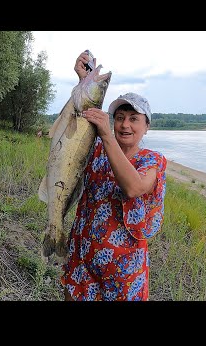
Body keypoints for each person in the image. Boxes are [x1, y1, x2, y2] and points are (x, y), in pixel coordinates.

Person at [60, 51, 167, 301]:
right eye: (119, 118)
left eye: (133, 119)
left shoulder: (152, 160)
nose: (124, 125)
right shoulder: (96, 149)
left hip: (124, 269)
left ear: (146, 126)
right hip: (82, 256)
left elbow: (134, 187)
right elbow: (76, 122)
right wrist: (83, 82)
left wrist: (107, 135)